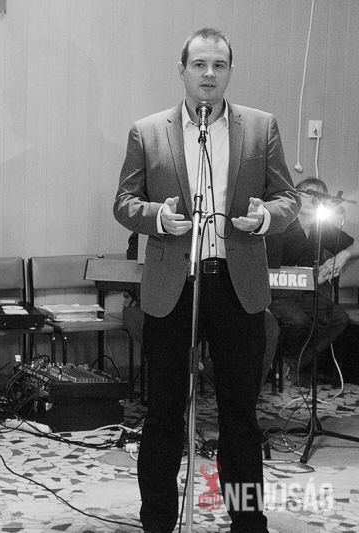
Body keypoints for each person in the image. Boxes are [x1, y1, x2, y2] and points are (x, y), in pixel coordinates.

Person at [113, 28, 300, 533]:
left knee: (241, 416)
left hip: (236, 286)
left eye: (219, 65)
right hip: (174, 287)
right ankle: (157, 521)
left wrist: (265, 218)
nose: (209, 74)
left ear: (230, 71)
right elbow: (124, 203)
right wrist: (157, 217)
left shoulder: (261, 127)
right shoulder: (147, 131)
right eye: (199, 65)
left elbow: (288, 198)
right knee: (163, 414)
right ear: (182, 71)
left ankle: (248, 522)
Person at [266, 178, 359, 384]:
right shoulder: (281, 224)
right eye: (308, 194)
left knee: (339, 319)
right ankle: (279, 362)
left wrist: (343, 255)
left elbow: (355, 245)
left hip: (306, 293)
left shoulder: (322, 228)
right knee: (298, 321)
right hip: (276, 293)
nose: (313, 199)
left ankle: (295, 363)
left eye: (319, 196)